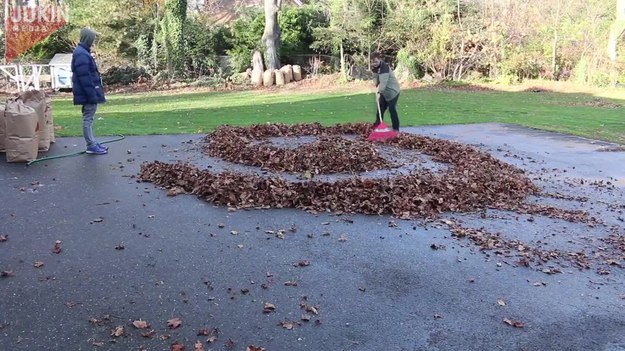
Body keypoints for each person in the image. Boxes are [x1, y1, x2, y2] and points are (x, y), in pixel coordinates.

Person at [71, 27, 107, 155]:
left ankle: (92, 142)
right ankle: (91, 145)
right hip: (88, 94)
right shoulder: (81, 54)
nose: (93, 41)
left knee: (89, 118)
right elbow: (85, 77)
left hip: (88, 92)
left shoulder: (82, 52)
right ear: (88, 39)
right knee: (88, 119)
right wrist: (92, 95)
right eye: (92, 39)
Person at [371, 52, 401, 132]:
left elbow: (383, 83)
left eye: (376, 62)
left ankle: (396, 129)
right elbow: (375, 77)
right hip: (385, 92)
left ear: (380, 60)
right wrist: (375, 82)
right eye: (373, 62)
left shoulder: (384, 68)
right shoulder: (375, 67)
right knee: (380, 108)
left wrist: (379, 92)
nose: (374, 64)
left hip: (393, 92)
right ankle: (377, 125)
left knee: (392, 109)